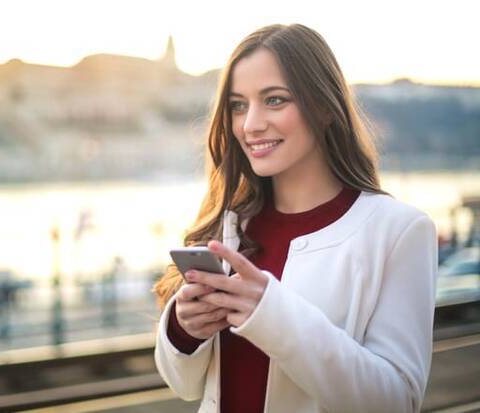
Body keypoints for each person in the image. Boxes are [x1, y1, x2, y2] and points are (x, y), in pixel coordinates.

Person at [152, 23, 437, 413]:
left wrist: (272, 314)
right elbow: (183, 385)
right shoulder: (228, 225)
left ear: (323, 107)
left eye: (274, 100)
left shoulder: (400, 231)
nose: (250, 124)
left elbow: (396, 402)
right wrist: (184, 329)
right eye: (238, 105)